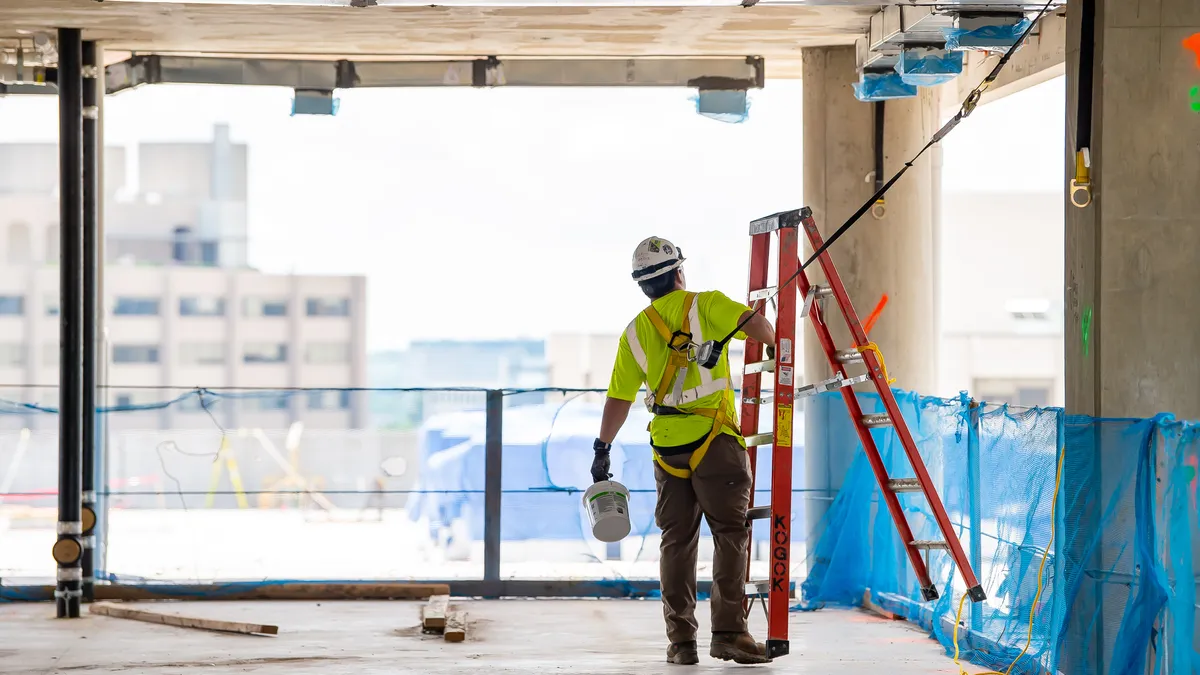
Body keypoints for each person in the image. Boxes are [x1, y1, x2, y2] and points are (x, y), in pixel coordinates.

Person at [591, 236, 777, 666]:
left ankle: (681, 643)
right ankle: (729, 634)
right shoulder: (706, 305)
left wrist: (602, 447)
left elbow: (617, 399)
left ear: (643, 286)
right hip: (714, 442)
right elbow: (764, 332)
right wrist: (740, 334)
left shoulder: (635, 331)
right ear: (679, 272)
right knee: (730, 535)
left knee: (676, 542)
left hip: (667, 449)